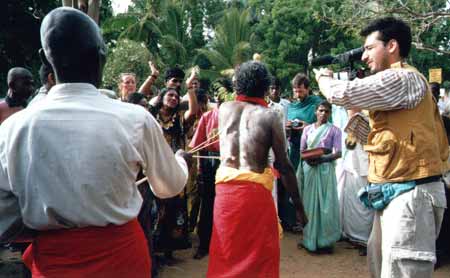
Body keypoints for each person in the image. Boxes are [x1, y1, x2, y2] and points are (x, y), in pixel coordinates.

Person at [0, 7, 190, 277]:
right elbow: (168, 186)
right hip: (123, 260)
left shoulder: (12, 130)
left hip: (54, 265)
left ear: (44, 57)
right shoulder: (135, 118)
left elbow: (5, 218)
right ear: (102, 54)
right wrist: (180, 160)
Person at [314, 17, 448, 278]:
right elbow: (371, 138)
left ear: (392, 46)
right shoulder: (394, 91)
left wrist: (324, 78)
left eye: (368, 48)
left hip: (412, 196)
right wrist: (353, 112)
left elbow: (340, 93)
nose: (363, 56)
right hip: (396, 193)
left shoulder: (405, 79)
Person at [207, 61, 307, 277]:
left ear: (238, 85)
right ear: (265, 86)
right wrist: (299, 207)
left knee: (226, 256)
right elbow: (284, 165)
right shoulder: (270, 115)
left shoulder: (223, 109)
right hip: (254, 195)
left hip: (225, 196)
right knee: (259, 259)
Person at [149, 72, 198, 265]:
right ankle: (154, 250)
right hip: (154, 167)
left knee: (174, 208)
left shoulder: (179, 119)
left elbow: (193, 111)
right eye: (169, 95)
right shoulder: (151, 116)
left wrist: (190, 87)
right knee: (155, 209)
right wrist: (153, 76)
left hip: (174, 167)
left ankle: (170, 251)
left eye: (176, 96)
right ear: (161, 98)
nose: (174, 98)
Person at [280, 73, 322, 232]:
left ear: (308, 89)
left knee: (309, 185)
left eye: (301, 91)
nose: (298, 95)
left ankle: (312, 221)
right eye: (295, 91)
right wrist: (289, 127)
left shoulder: (317, 104)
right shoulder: (290, 107)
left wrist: (308, 126)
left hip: (311, 151)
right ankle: (294, 220)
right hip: (294, 150)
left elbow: (326, 125)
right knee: (294, 184)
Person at [299, 101, 342, 253]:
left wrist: (322, 159)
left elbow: (338, 152)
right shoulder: (307, 130)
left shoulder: (335, 130)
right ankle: (309, 240)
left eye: (327, 111)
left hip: (325, 170)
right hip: (310, 169)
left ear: (330, 114)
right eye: (321, 110)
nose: (323, 114)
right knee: (309, 204)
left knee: (326, 205)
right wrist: (309, 159)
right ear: (316, 112)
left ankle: (325, 241)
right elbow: (302, 150)